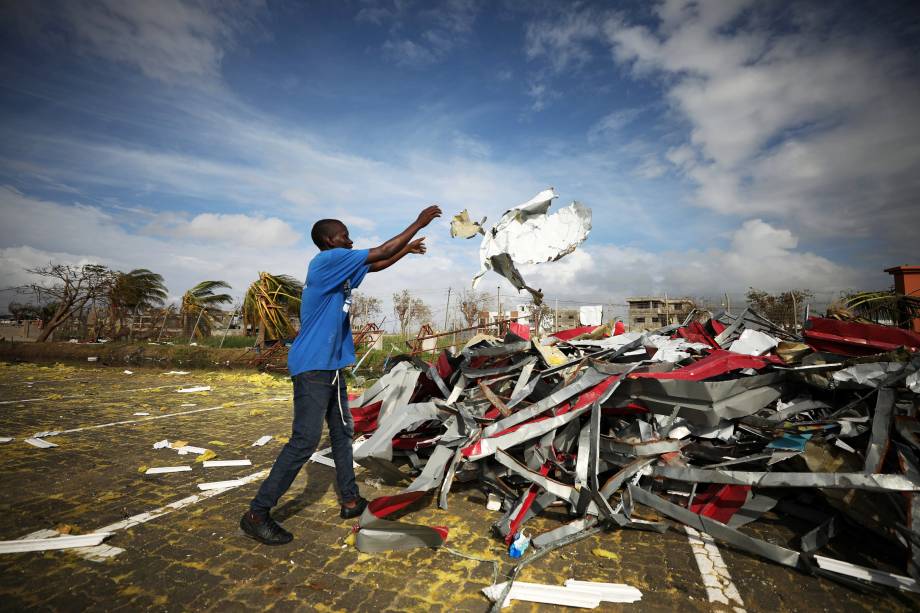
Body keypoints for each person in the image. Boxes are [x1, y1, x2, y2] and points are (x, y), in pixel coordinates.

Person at [240, 205, 442, 545]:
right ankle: (256, 514)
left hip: (330, 365)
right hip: (314, 365)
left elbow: (375, 264)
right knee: (304, 440)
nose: (351, 240)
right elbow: (379, 251)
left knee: (342, 431)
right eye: (344, 235)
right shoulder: (326, 262)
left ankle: (350, 500)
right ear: (329, 240)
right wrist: (417, 223)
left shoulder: (341, 270)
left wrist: (406, 250)